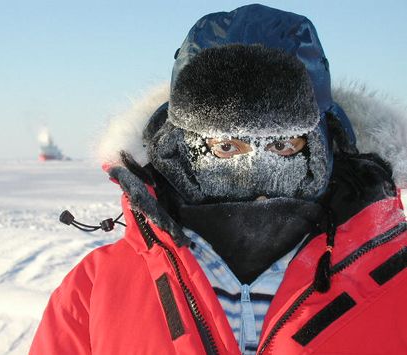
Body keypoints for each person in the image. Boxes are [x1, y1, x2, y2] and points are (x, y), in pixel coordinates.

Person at [30, 4, 407, 355]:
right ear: (177, 146)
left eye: (283, 144)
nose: (255, 172)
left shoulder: (399, 282)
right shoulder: (93, 293)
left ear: (327, 142)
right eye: (226, 146)